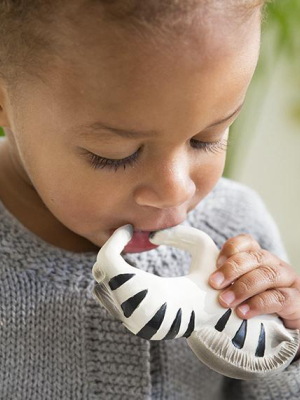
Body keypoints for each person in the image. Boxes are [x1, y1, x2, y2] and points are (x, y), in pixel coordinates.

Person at [0, 0, 299, 398]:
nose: (176, 191)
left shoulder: (236, 227)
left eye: (207, 138)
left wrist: (285, 343)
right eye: (115, 155)